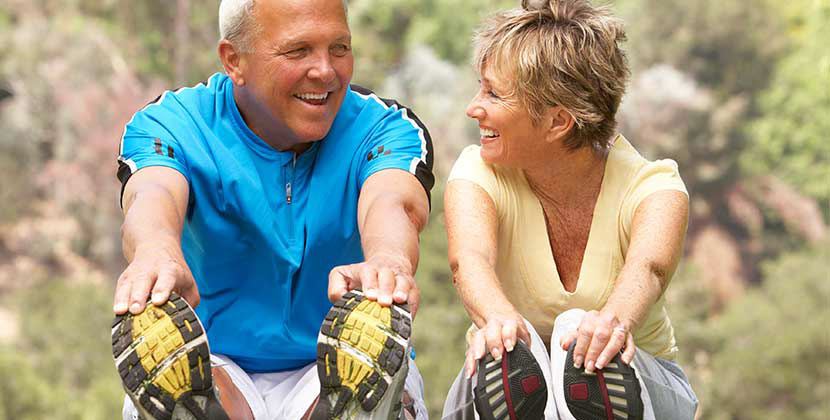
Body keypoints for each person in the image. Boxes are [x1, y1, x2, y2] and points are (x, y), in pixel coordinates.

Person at [111, 0, 434, 419]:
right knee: (180, 361)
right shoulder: (169, 124)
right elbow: (151, 193)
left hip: (342, 361)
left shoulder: (386, 128)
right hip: (212, 357)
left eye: (339, 48)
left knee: (377, 386)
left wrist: (389, 261)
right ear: (234, 60)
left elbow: (393, 203)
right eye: (298, 51)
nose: (326, 71)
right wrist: (155, 251)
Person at [441, 0, 698, 419]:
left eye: (493, 93)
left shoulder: (654, 187)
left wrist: (611, 325)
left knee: (579, 343)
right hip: (505, 374)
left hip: (645, 385)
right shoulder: (479, 172)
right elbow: (470, 259)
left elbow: (648, 268)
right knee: (508, 357)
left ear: (557, 122)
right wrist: (500, 320)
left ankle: (595, 384)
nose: (474, 107)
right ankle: (518, 376)